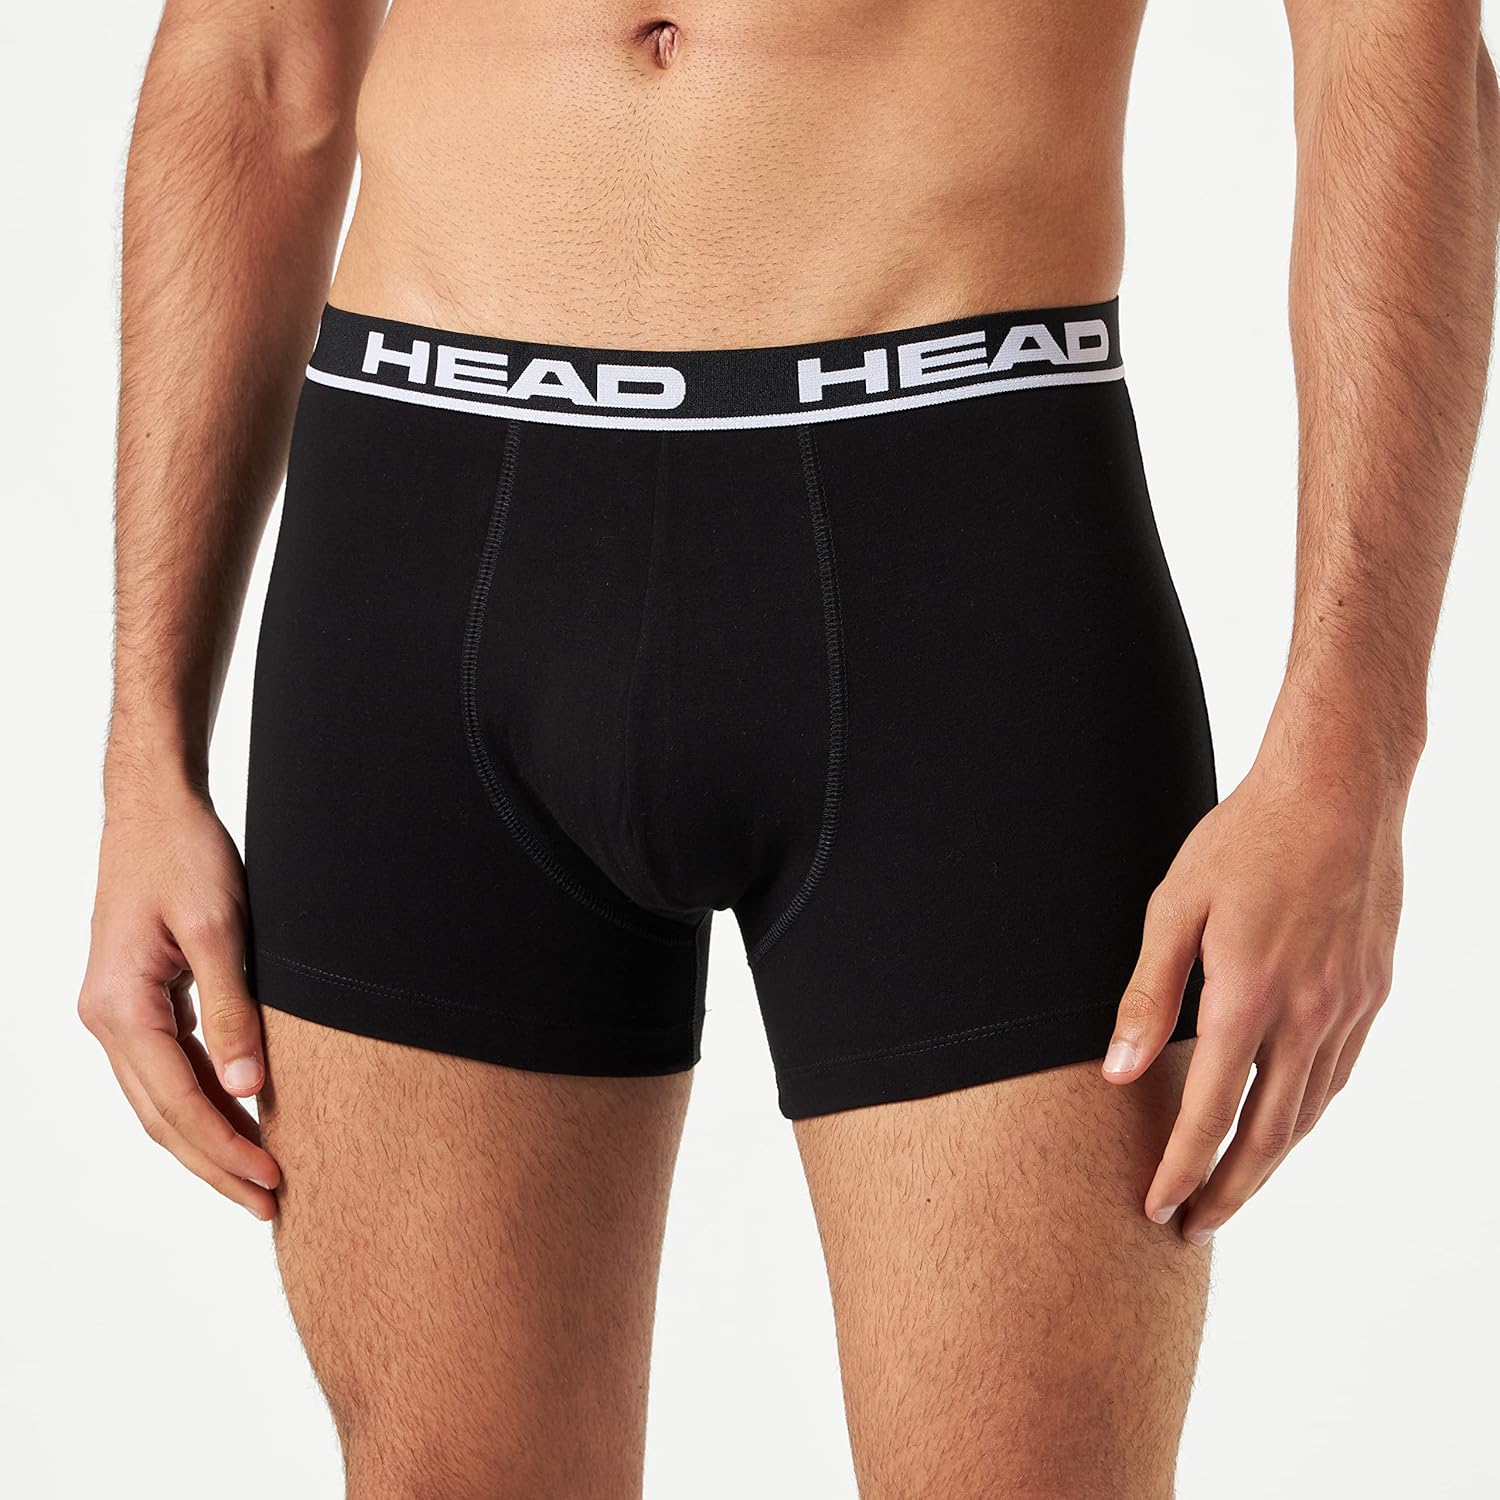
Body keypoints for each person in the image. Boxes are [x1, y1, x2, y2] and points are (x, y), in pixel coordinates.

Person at [78, 1, 1499, 1494]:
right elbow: (254, 67)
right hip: (421, 550)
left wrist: (1354, 748)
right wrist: (142, 756)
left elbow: (1389, 41)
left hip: (956, 541)